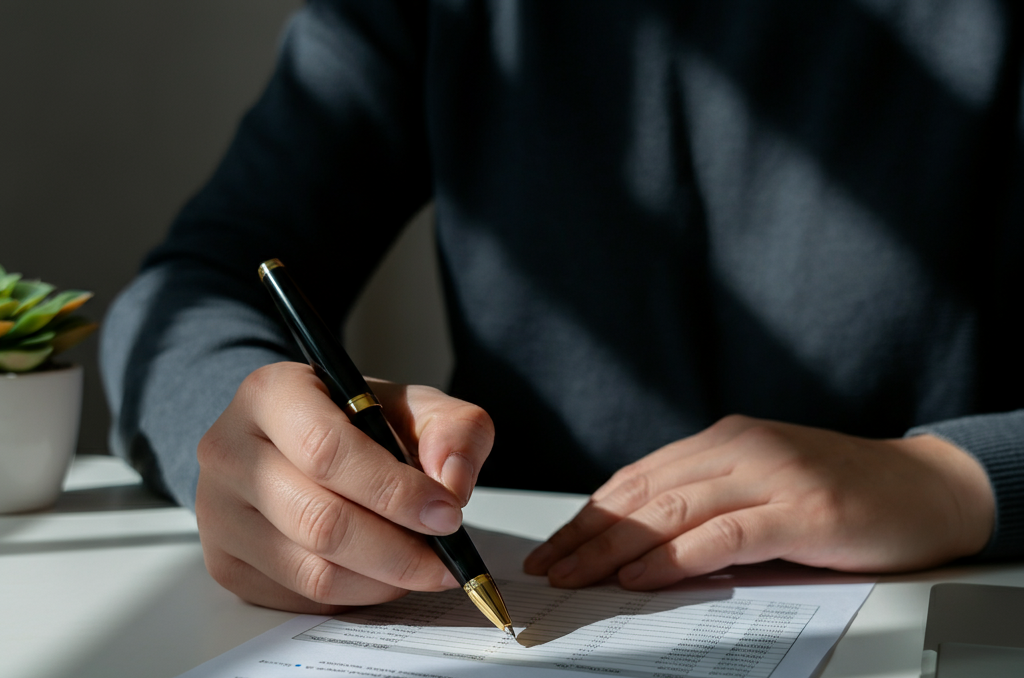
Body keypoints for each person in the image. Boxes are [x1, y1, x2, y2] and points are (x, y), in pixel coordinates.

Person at [102, 0, 1023, 615]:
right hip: (519, 576)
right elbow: (196, 283)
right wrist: (259, 446)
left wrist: (961, 479)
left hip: (946, 594)